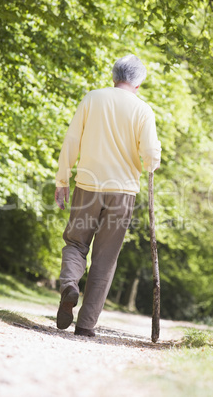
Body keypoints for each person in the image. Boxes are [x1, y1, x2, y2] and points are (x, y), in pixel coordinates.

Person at [55, 54, 161, 337]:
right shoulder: (143, 110)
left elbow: (72, 140)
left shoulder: (92, 98)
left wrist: (62, 179)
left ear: (113, 76)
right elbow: (150, 155)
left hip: (87, 185)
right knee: (105, 258)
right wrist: (152, 164)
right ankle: (86, 324)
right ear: (139, 84)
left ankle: (69, 284)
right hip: (123, 191)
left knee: (76, 243)